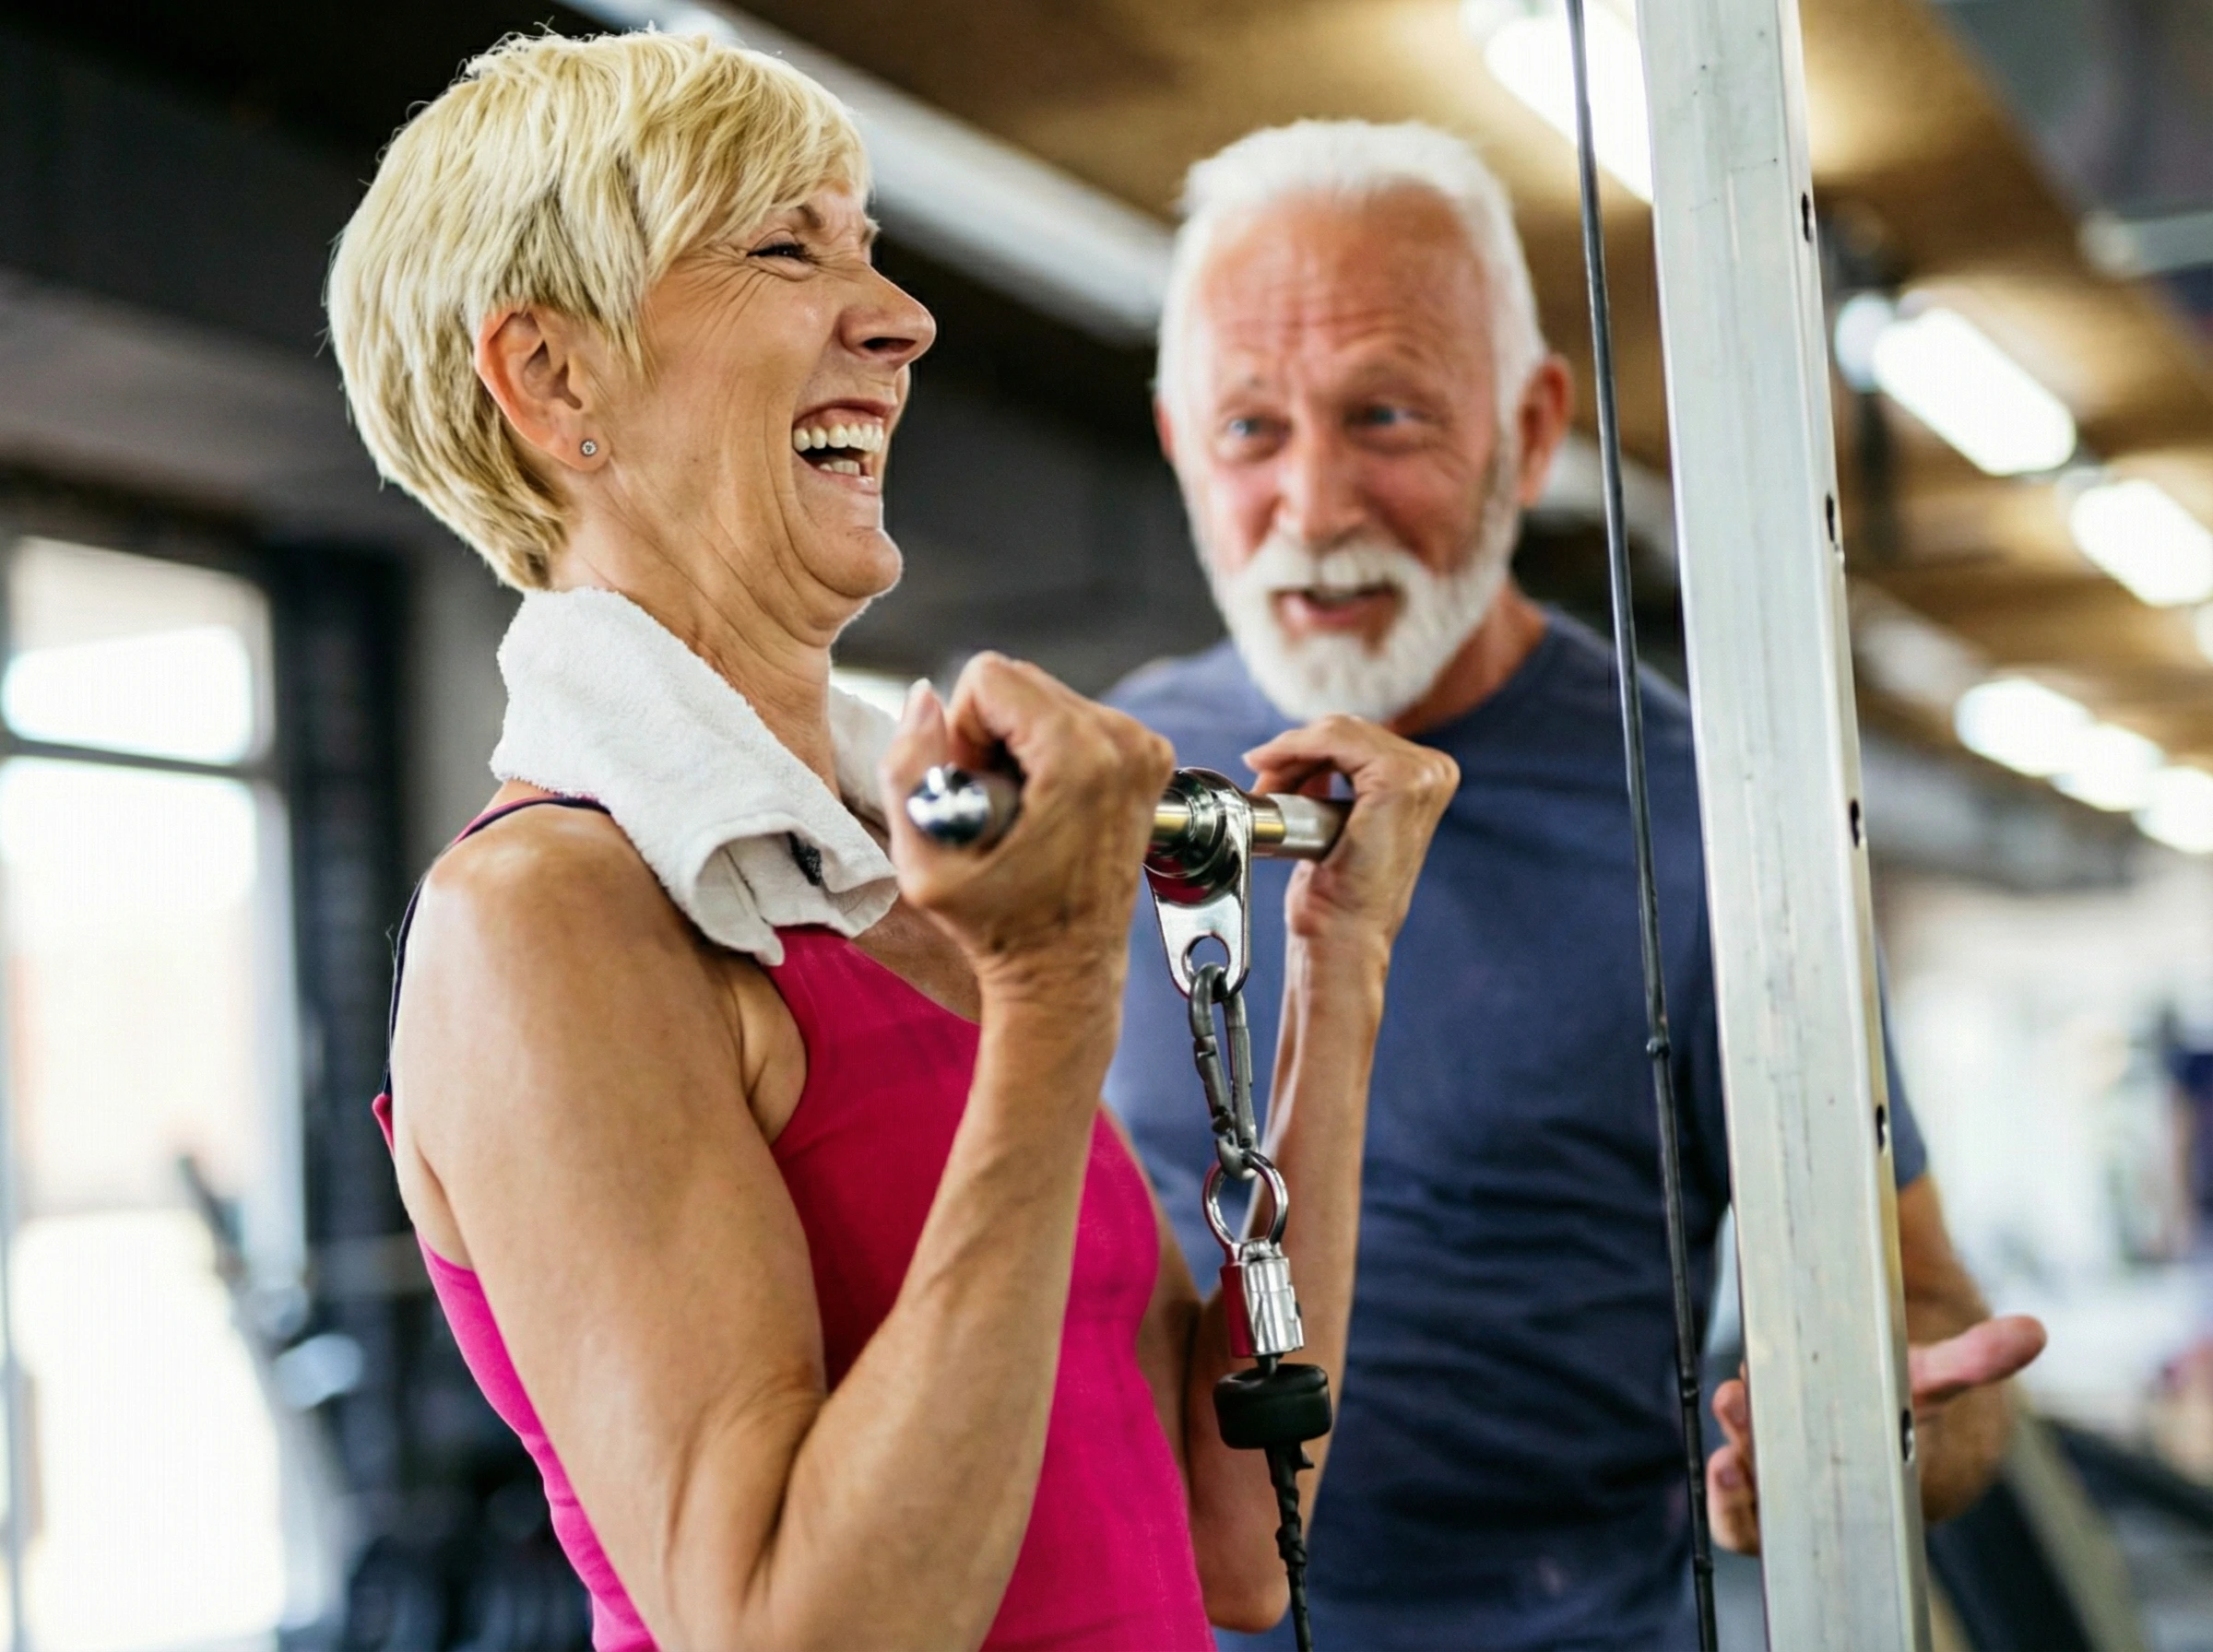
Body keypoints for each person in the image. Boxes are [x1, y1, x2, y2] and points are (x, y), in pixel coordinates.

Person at [325, 39, 1460, 1652]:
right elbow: (793, 1628)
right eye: (788, 247)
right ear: (554, 376)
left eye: (869, 249)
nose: (905, 321)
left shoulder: (903, 885)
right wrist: (1060, 983)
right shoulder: (542, 919)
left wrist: (1339, 968)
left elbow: (1235, 1545)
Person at [1104, 119, 2050, 1652]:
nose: (1317, 505)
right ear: (1174, 437)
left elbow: (1923, 1308)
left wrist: (1877, 1441)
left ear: (1533, 429)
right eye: (1250, 431)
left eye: (1388, 415)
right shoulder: (1125, 772)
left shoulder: (1714, 823)